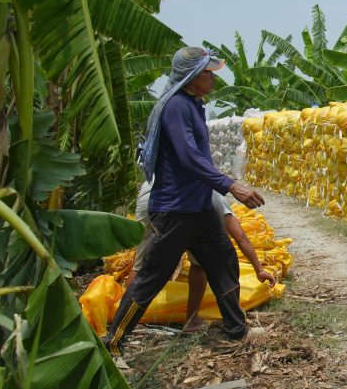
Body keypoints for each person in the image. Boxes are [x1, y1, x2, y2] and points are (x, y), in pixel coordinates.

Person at [103, 47, 265, 357]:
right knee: (152, 277)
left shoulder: (193, 106)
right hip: (175, 210)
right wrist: (231, 185)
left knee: (223, 261)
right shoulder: (176, 107)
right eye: (208, 73)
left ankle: (237, 329)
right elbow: (189, 158)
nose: (213, 78)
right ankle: (113, 342)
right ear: (193, 76)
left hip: (199, 208)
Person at [128, 183, 277, 333]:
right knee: (199, 264)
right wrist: (259, 269)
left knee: (140, 265)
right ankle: (192, 320)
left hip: (150, 196)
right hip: (181, 205)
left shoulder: (186, 172)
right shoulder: (217, 200)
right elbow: (240, 236)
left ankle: (122, 315)